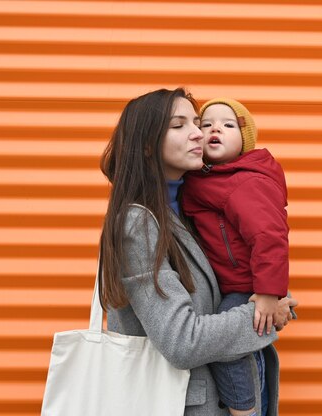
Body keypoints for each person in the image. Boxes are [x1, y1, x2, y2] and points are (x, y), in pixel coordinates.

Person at [99, 88, 297, 416]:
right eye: (179, 126)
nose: (197, 133)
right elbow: (182, 341)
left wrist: (272, 293)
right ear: (147, 145)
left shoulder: (193, 208)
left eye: (195, 122)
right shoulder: (137, 224)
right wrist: (264, 316)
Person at [181, 98, 290, 416]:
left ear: (245, 142)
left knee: (224, 347)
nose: (216, 128)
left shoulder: (245, 181)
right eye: (207, 124)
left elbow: (269, 237)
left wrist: (269, 293)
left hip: (247, 285)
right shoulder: (204, 179)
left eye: (229, 125)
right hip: (229, 284)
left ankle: (244, 410)